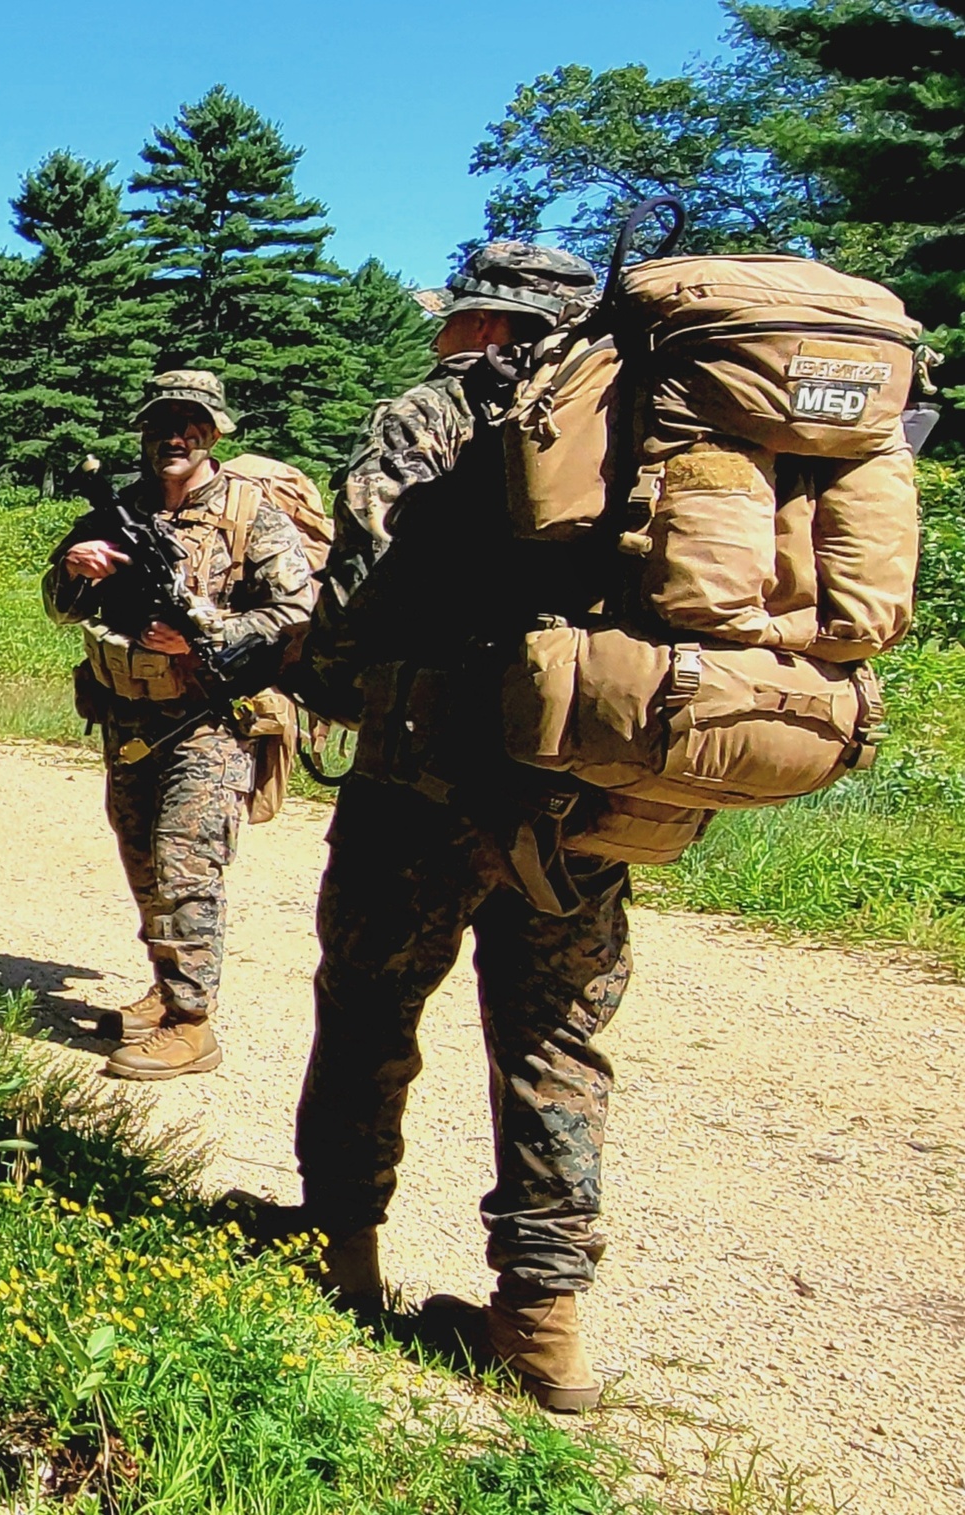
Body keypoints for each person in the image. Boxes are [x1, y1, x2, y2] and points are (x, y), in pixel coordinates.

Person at [283, 244, 634, 1412]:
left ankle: (338, 1254)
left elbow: (357, 594)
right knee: (554, 1043)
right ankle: (544, 1323)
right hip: (583, 802)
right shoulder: (646, 423)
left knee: (371, 1010)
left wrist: (319, 675)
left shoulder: (433, 414)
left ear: (478, 323)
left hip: (420, 784)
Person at [43, 371, 316, 1080]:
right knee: (143, 861)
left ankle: (193, 1024)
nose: (175, 435)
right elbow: (59, 606)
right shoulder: (123, 509)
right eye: (162, 422)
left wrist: (206, 635)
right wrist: (76, 569)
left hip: (212, 719)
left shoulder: (249, 513)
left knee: (184, 864)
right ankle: (166, 992)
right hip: (128, 718)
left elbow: (296, 613)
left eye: (191, 423)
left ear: (214, 432)